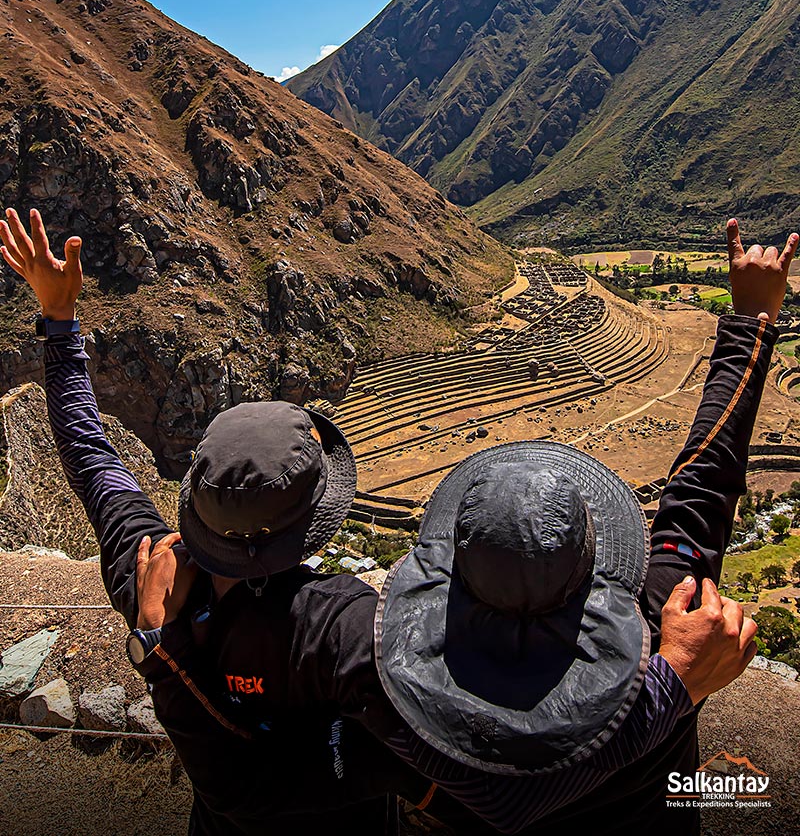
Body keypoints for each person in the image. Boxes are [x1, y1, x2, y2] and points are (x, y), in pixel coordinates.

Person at [0, 207, 788, 835]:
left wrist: (60, 325)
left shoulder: (201, 589)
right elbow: (705, 483)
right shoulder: (663, 619)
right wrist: (674, 704)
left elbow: (94, 460)